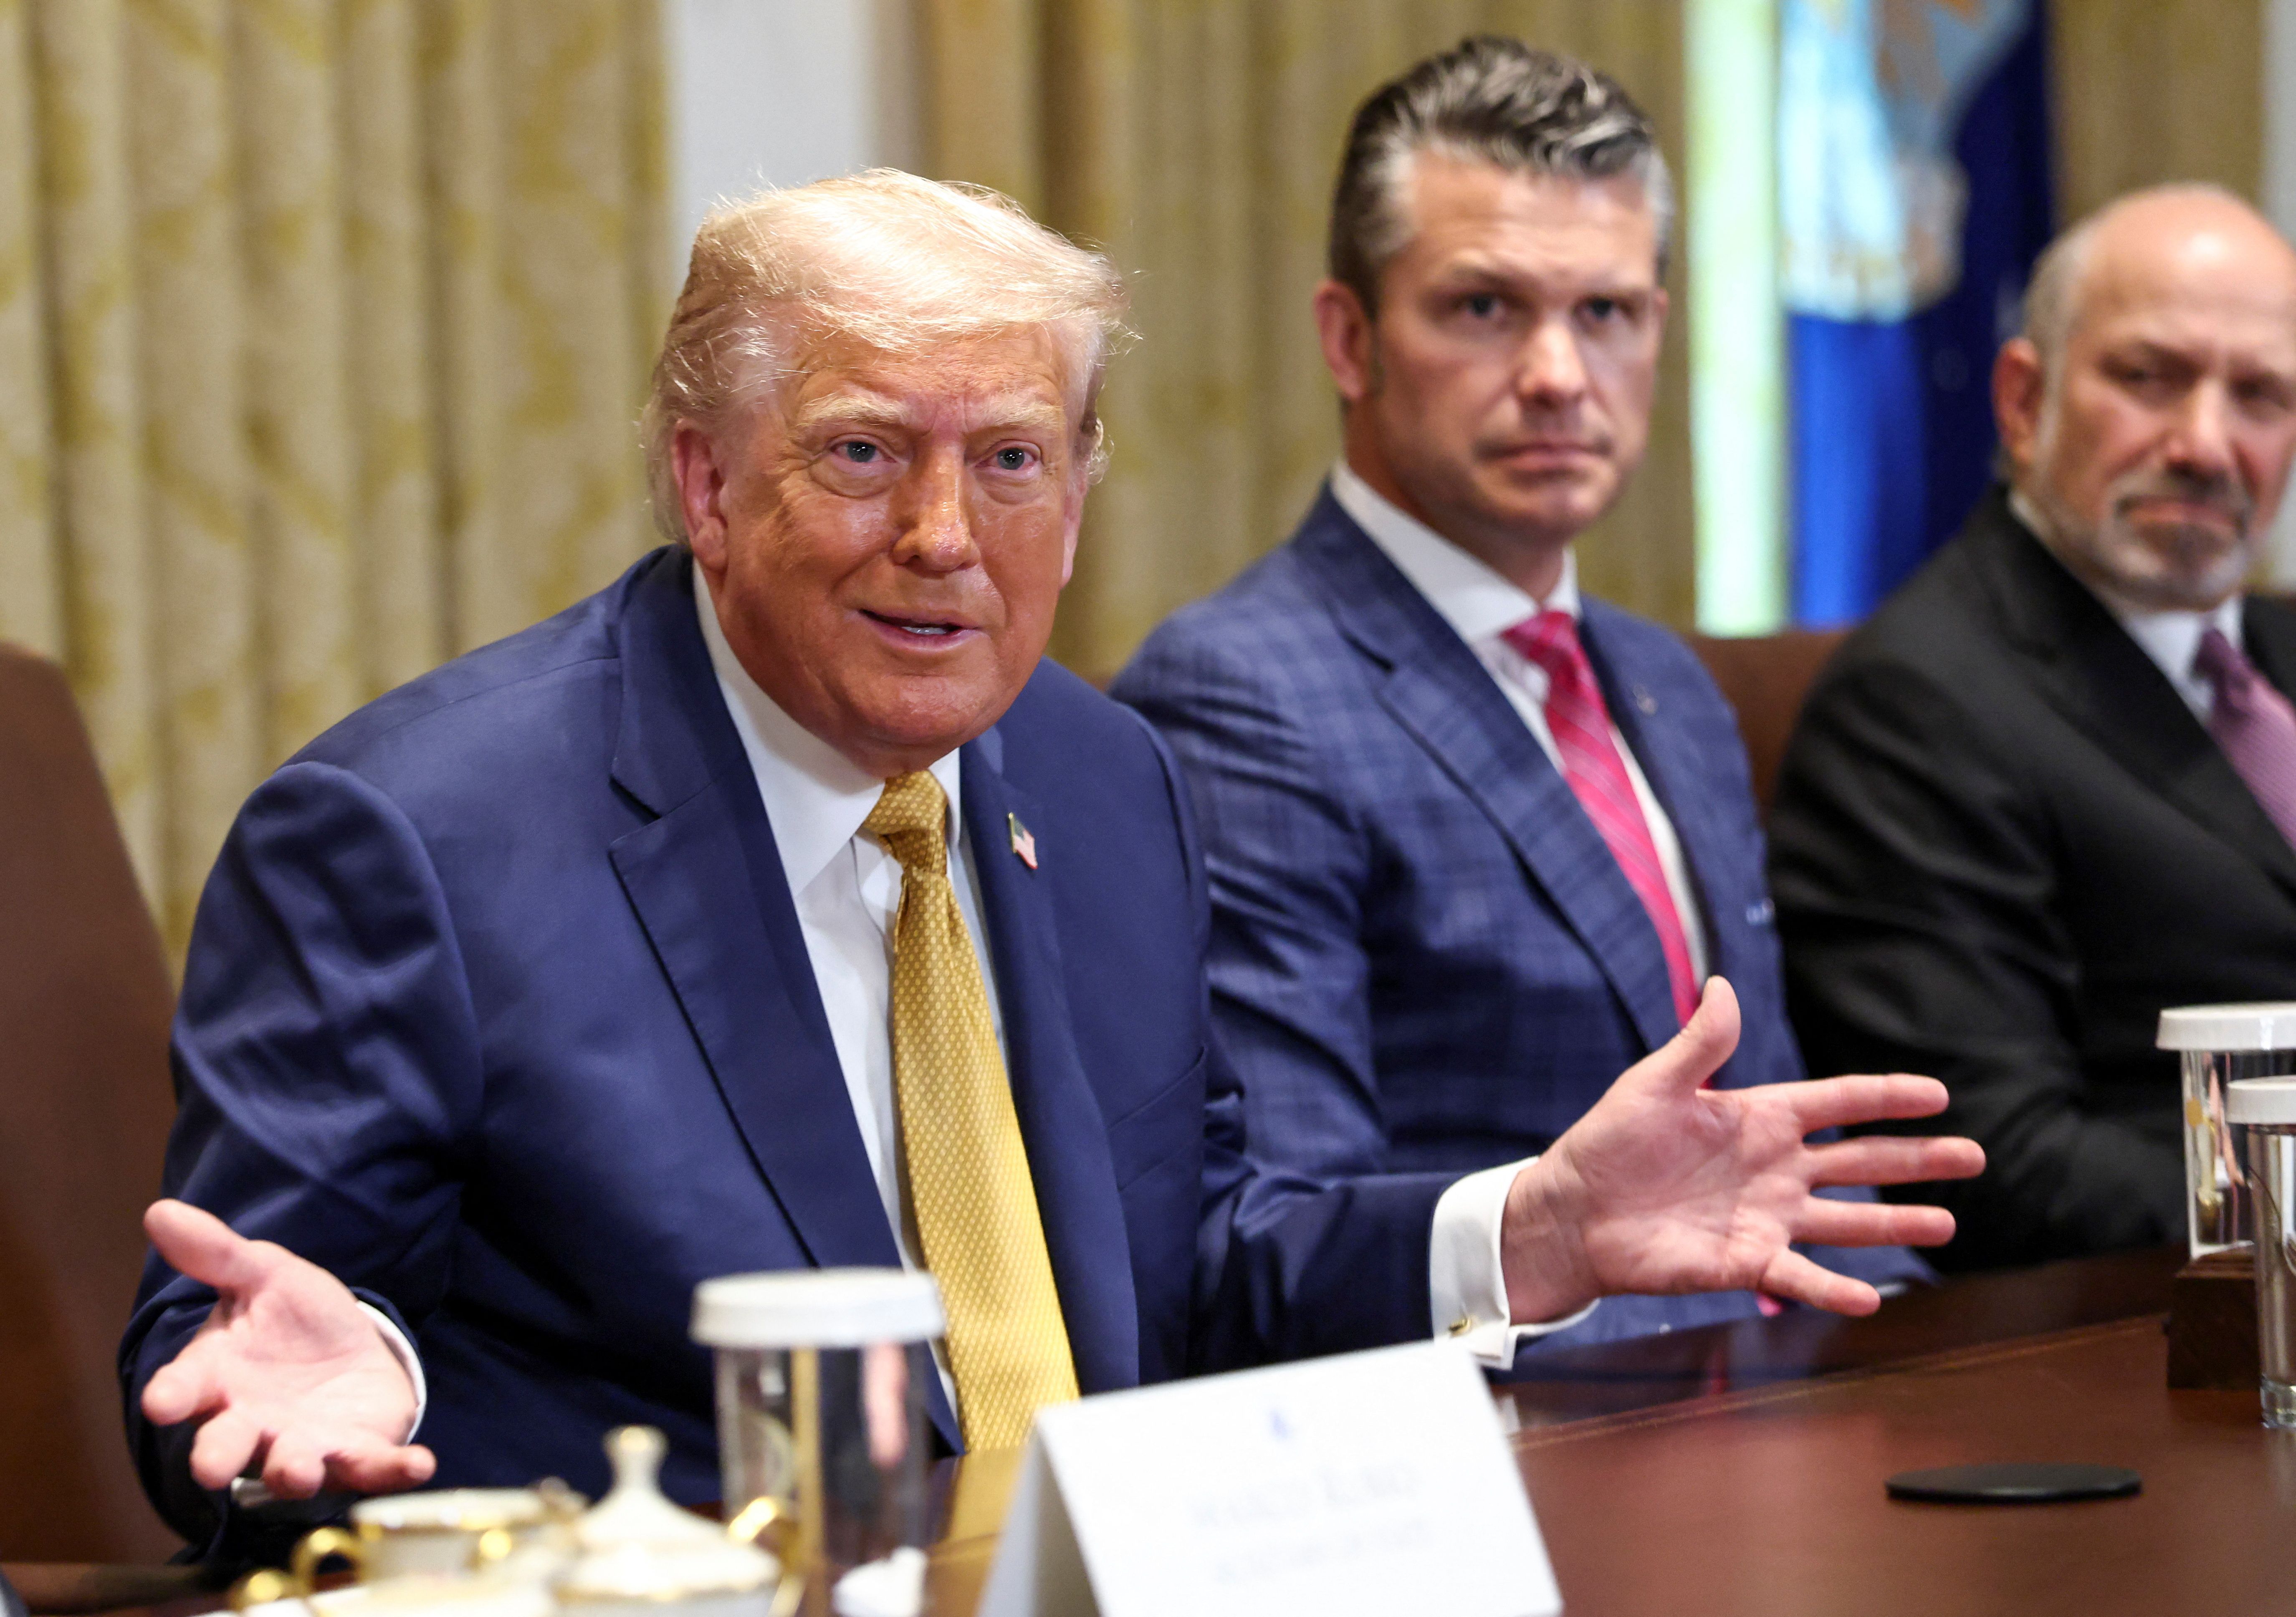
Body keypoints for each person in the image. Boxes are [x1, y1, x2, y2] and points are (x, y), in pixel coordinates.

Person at [124, 169, 1976, 1559]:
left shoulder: (1101, 781)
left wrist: (1529, 1233)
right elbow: (246, 1339)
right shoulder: (413, 837)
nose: (942, 537)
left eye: (1010, 460)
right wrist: (347, 1361)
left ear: (1082, 494)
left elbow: (1193, 1269)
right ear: (702, 483)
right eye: (859, 454)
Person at [1113, 37, 1927, 1355]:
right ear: (1350, 336)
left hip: (1784, 1399)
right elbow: (1273, 1235)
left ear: (1657, 332)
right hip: (1523, 1446)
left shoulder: (1663, 680)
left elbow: (1768, 1146)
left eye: (1603, 312)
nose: (1557, 372)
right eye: (1484, 307)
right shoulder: (1241, 692)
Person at [1768, 184, 2296, 1271]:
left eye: (2259, 395)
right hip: (2165, 1347)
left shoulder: (2276, 651)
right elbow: (1998, 1163)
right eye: (2148, 378)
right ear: (2021, 399)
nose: (2203, 442)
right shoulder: (1913, 706)